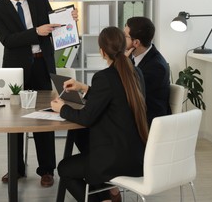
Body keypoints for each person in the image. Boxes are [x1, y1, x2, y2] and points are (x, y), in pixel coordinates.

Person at [0, 0, 77, 187]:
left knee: (44, 117)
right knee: (15, 120)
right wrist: (36, 32)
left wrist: (69, 19)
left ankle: (47, 170)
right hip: (16, 70)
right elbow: (8, 41)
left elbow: (56, 27)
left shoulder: (38, 0)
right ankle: (16, 169)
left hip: (41, 65)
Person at [50, 26, 148, 202]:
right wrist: (83, 88)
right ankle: (108, 194)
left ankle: (104, 198)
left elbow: (86, 118)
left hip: (116, 159)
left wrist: (62, 108)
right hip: (138, 156)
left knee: (65, 169)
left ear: (102, 52)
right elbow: (114, 95)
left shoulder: (104, 77)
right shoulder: (136, 72)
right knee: (84, 141)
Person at [124, 16, 171, 126]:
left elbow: (128, 92)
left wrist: (123, 65)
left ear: (136, 43)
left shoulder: (156, 67)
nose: (121, 39)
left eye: (125, 36)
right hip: (135, 115)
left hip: (148, 123)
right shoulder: (133, 56)